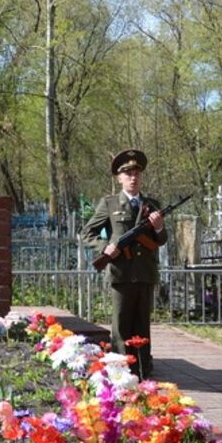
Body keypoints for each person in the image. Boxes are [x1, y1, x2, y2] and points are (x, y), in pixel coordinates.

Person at [80, 149, 167, 378]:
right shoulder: (109, 204)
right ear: (119, 178)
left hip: (145, 273)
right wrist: (104, 247)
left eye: (137, 173)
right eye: (127, 173)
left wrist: (158, 228)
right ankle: (119, 368)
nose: (133, 177)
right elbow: (87, 233)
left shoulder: (151, 204)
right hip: (121, 273)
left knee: (142, 324)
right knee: (121, 326)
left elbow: (161, 239)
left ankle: (143, 366)